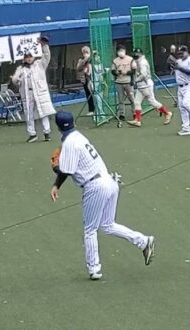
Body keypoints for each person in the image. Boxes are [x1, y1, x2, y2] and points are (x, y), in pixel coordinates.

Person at [50, 111, 155, 280]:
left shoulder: (70, 143)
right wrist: (56, 184)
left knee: (90, 229)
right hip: (110, 181)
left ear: (57, 126)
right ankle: (143, 241)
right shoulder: (78, 137)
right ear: (73, 123)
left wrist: (55, 169)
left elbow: (66, 170)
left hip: (95, 186)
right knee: (107, 225)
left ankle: (94, 269)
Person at [11, 37, 56, 142]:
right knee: (29, 114)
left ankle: (47, 133)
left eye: (30, 56)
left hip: (40, 93)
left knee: (44, 113)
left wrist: (44, 45)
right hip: (27, 94)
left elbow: (47, 56)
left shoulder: (39, 64)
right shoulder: (21, 68)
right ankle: (32, 134)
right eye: (27, 57)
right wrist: (18, 78)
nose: (29, 58)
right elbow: (14, 80)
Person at [126, 48, 172, 127]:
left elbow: (143, 75)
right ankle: (137, 120)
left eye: (137, 54)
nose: (135, 55)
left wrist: (135, 81)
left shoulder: (142, 62)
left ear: (140, 54)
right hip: (141, 85)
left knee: (152, 101)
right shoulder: (138, 61)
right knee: (137, 102)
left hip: (146, 84)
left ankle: (167, 113)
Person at [172, 46, 190, 136]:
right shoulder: (178, 61)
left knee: (186, 103)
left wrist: (179, 68)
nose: (180, 55)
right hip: (180, 87)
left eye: (182, 53)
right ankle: (186, 128)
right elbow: (173, 69)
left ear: (187, 52)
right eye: (179, 53)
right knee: (181, 108)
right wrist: (172, 65)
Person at [110, 44, 137, 122]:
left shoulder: (130, 59)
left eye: (122, 50)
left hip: (128, 82)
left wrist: (127, 73)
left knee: (132, 99)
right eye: (119, 51)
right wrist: (116, 73)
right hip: (119, 82)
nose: (120, 52)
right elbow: (112, 71)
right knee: (120, 100)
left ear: (125, 51)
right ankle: (122, 114)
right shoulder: (115, 61)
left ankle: (135, 113)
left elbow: (134, 70)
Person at [75, 47, 95, 115]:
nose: (85, 53)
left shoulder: (93, 58)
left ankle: (99, 109)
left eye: (87, 52)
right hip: (85, 79)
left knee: (96, 94)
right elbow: (78, 68)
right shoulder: (81, 60)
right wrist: (85, 60)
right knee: (88, 94)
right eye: (84, 52)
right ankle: (91, 110)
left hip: (94, 79)